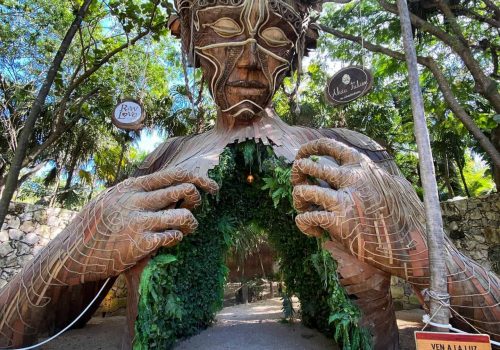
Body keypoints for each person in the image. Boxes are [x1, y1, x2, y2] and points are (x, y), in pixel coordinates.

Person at [1, 0, 498, 348]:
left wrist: (421, 249)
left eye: (276, 35)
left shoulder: (350, 157)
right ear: (189, 34)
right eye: (222, 25)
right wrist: (75, 247)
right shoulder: (162, 162)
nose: (249, 60)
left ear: (301, 48)